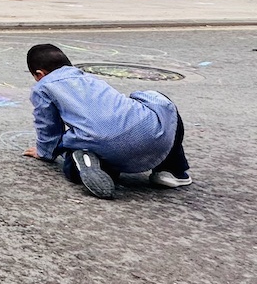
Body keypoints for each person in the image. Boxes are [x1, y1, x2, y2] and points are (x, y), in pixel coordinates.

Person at [23, 43, 192, 200]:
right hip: (152, 136)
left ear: (39, 74)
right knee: (164, 105)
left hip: (103, 145)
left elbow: (48, 126)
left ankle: (89, 164)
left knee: (72, 147)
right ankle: (171, 171)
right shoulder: (89, 78)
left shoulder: (43, 87)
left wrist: (45, 152)